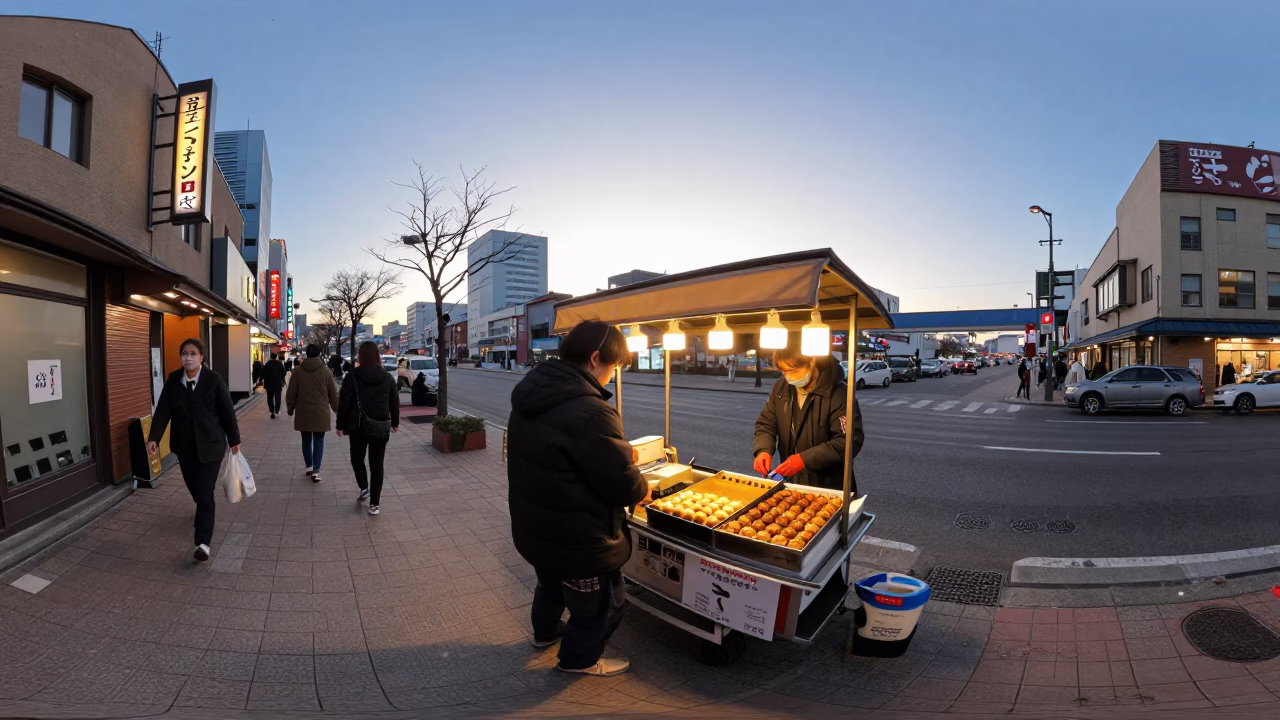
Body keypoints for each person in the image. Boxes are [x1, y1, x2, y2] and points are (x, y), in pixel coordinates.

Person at [507, 320, 647, 677]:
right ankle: (578, 661)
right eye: (613, 366)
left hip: (536, 526)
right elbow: (624, 485)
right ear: (596, 358)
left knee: (549, 584)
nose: (612, 375)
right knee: (598, 607)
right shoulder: (591, 410)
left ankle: (544, 635)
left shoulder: (531, 392)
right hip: (579, 539)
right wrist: (634, 473)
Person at [147, 339, 241, 562]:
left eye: (192, 353)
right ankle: (202, 512)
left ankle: (203, 543)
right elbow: (162, 411)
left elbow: (227, 411)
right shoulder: (173, 381)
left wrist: (234, 439)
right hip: (185, 446)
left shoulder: (213, 380)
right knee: (196, 490)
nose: (188, 357)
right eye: (184, 354)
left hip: (211, 445)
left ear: (201, 357)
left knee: (205, 493)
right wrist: (154, 437)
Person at [752, 338, 863, 490]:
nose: (789, 376)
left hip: (829, 484)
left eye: (794, 370)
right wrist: (763, 449)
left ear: (812, 361)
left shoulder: (839, 392)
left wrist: (804, 460)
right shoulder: (781, 387)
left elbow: (848, 441)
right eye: (784, 371)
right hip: (792, 480)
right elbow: (766, 423)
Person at [336, 342, 399, 515]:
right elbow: (394, 401)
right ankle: (375, 504)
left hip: (358, 425)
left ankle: (364, 488)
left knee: (357, 459)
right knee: (377, 464)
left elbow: (344, 403)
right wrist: (395, 423)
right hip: (381, 425)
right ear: (378, 356)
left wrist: (340, 425)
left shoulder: (353, 376)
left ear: (360, 356)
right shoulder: (387, 377)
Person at [286, 344, 339, 482]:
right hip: (321, 411)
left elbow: (291, 392)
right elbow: (333, 394)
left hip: (303, 411)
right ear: (318, 354)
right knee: (319, 440)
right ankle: (316, 470)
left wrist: (290, 408)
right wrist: (337, 409)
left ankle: (309, 466)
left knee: (306, 439)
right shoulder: (326, 371)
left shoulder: (298, 371)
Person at [260, 352, 287, 419]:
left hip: (269, 384)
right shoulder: (279, 363)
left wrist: (261, 379)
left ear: (270, 357)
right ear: (276, 357)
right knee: (278, 397)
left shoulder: (267, 364)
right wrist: (281, 378)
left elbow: (263, 373)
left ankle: (271, 411)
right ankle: (277, 410)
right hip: (277, 383)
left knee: (270, 398)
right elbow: (284, 372)